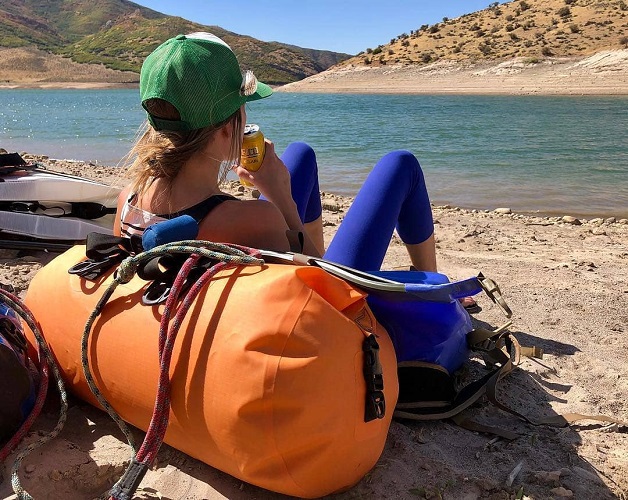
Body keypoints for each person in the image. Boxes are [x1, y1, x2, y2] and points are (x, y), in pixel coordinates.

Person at [114, 32, 478, 309]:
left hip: (214, 271)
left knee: (300, 154)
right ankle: (434, 287)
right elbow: (317, 290)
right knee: (401, 165)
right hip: (327, 304)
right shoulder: (255, 219)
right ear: (227, 128)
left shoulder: (127, 200)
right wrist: (281, 197)